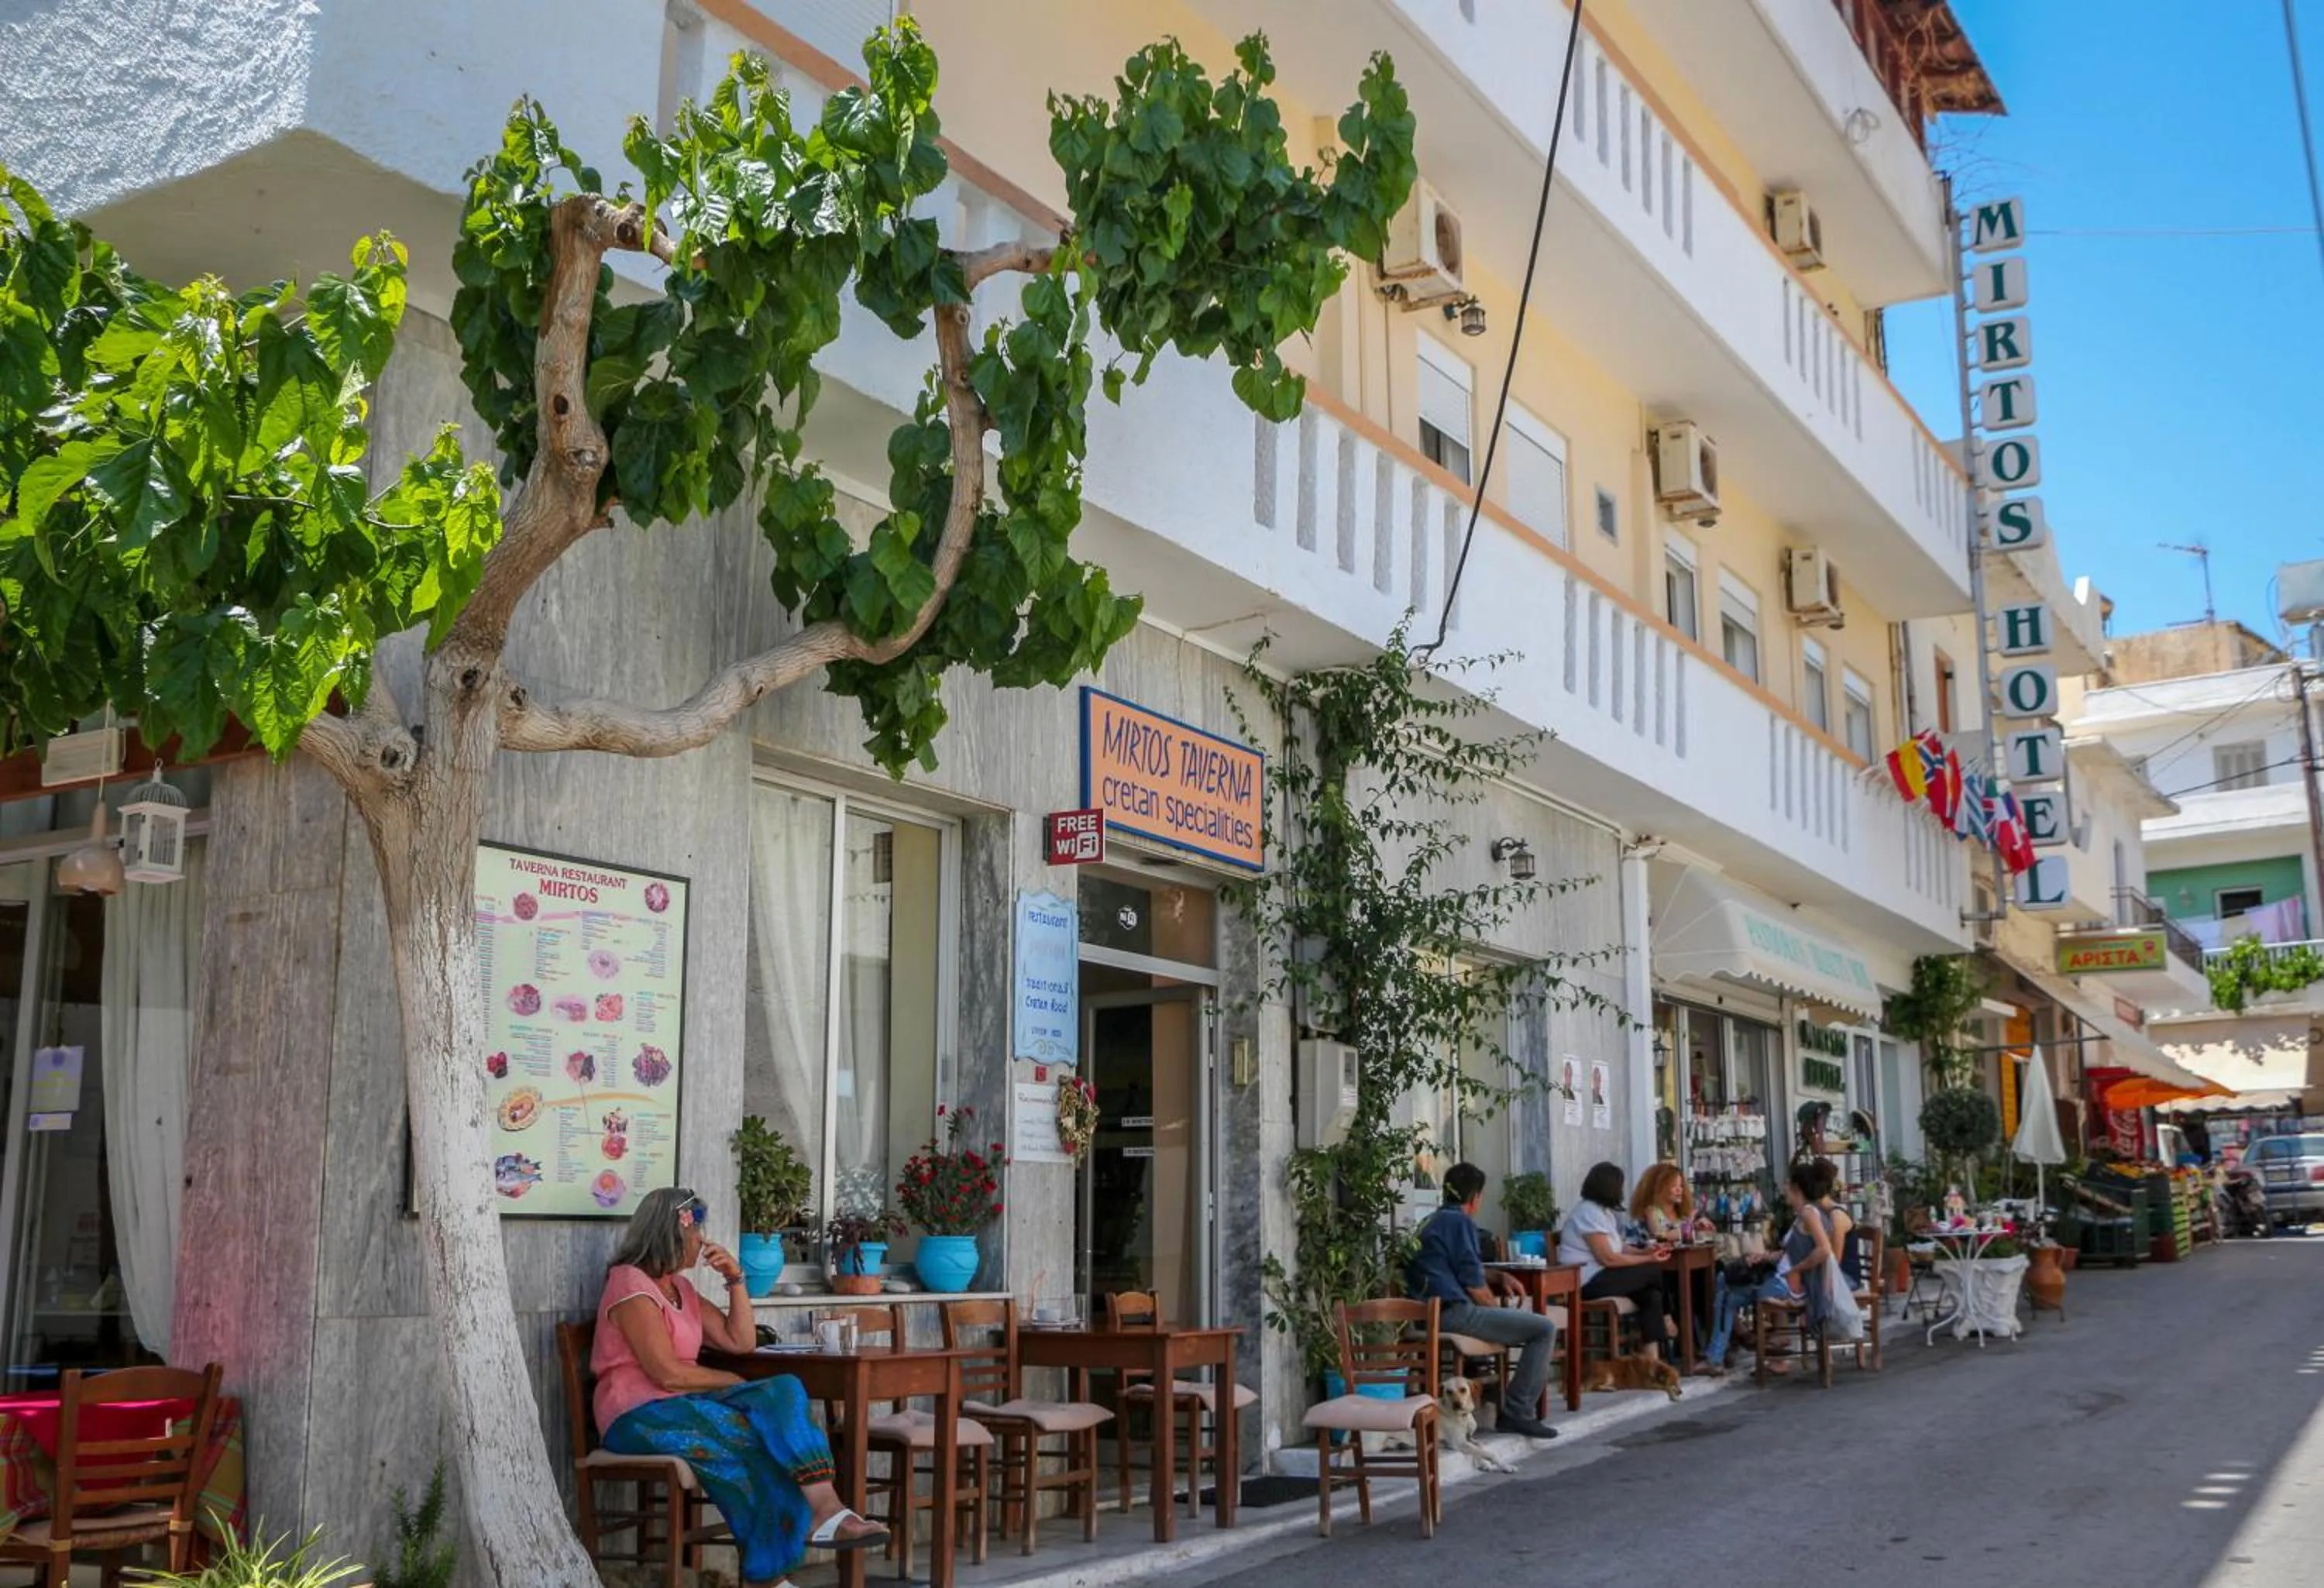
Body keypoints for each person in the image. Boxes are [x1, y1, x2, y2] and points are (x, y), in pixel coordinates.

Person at [593, 1187, 889, 1588]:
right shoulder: (630, 1284)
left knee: (783, 1389)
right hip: (635, 1414)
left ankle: (827, 1510)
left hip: (685, 1401)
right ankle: (767, 1577)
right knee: (740, 1437)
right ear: (673, 1234)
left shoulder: (681, 1289)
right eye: (696, 1233)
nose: (702, 1242)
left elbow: (741, 1341)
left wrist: (735, 1279)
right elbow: (666, 1373)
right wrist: (732, 1381)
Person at [1406, 1163, 1562, 1441]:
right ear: (1476, 1197)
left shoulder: (1432, 1221)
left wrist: (1497, 1275)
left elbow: (1458, 1266)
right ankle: (1518, 1412)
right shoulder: (1461, 1222)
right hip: (1453, 1312)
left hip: (1430, 1311)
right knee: (1543, 1328)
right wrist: (1499, 1314)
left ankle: (1496, 1397)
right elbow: (1474, 1286)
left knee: (1524, 1324)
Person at [1559, 1162, 1673, 1362]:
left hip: (1604, 1276)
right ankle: (1667, 1317)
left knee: (1650, 1294)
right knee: (1652, 1270)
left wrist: (1644, 1251)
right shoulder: (1587, 1213)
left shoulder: (1605, 1213)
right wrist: (1648, 1259)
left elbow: (1619, 1247)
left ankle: (1651, 1361)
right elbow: (1608, 1258)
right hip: (1586, 1281)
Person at [1631, 1164, 1717, 1373]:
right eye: (1674, 1186)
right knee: (1686, 1287)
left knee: (1713, 1276)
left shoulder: (1683, 1213)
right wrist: (1688, 1228)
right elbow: (1660, 1234)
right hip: (1662, 1267)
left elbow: (1690, 1234)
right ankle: (1694, 1346)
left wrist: (1701, 1226)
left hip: (1687, 1265)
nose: (1680, 1190)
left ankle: (1709, 1341)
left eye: (1681, 1186)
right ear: (1660, 1188)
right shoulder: (1653, 1211)